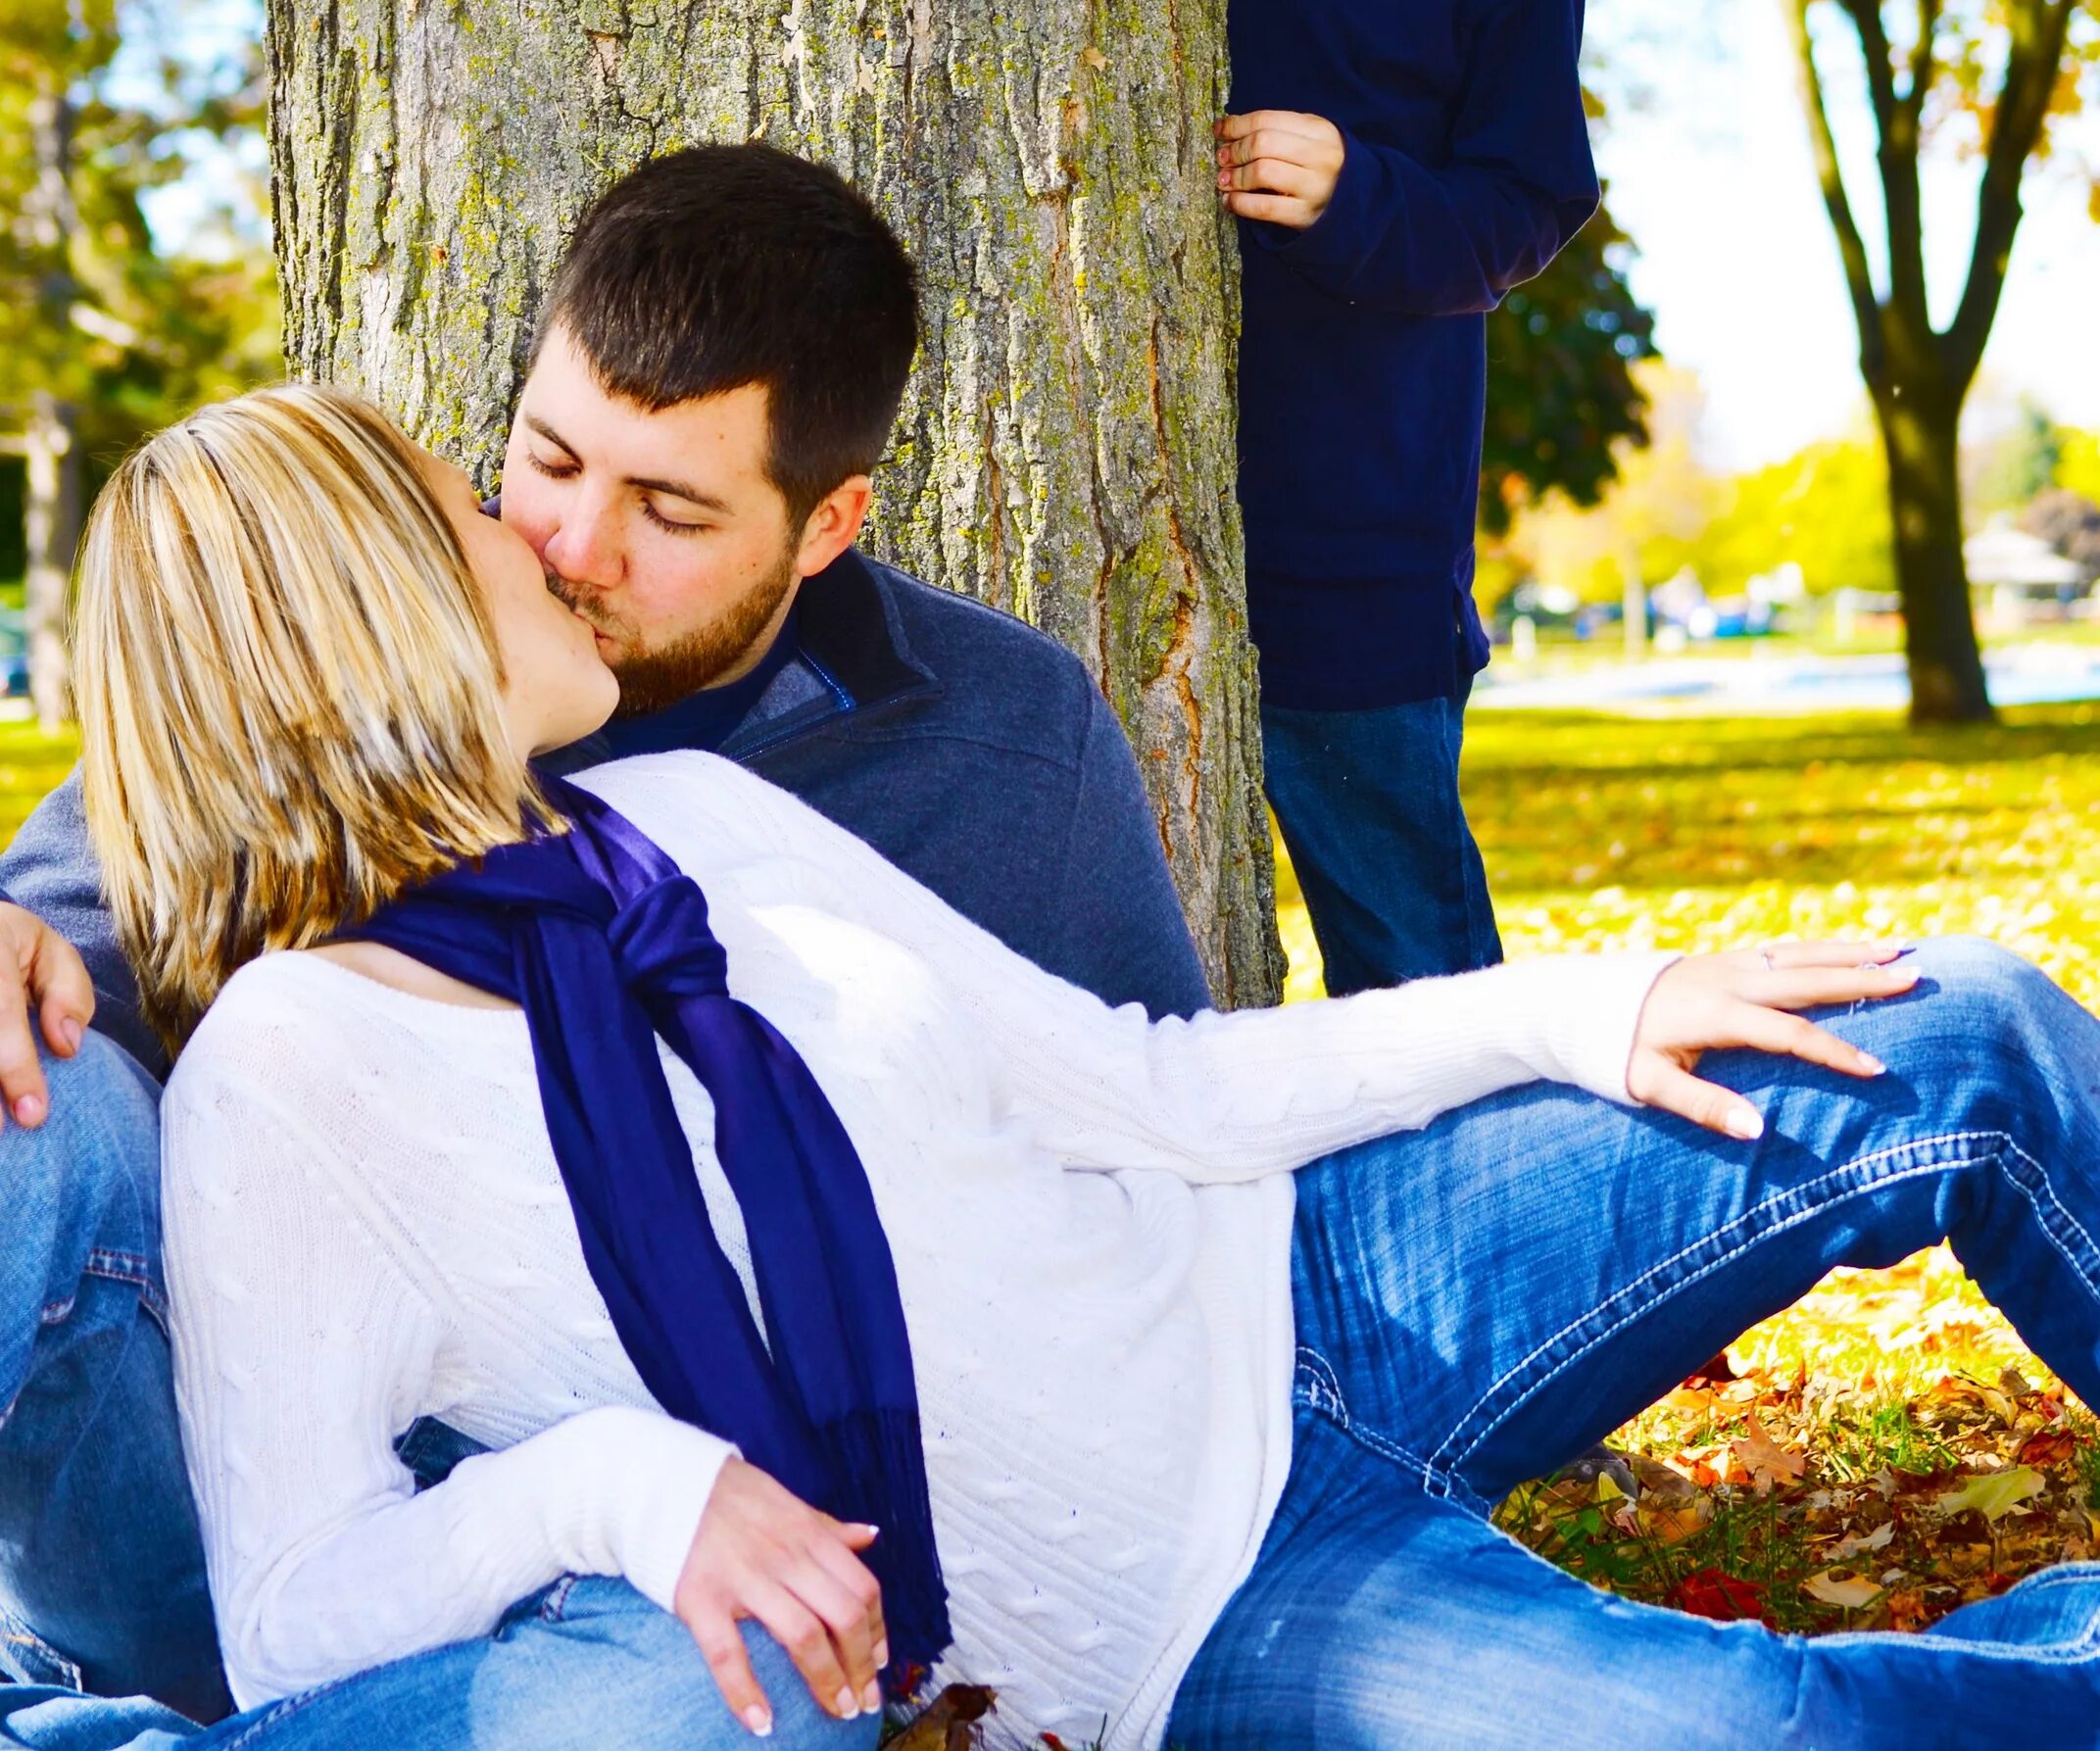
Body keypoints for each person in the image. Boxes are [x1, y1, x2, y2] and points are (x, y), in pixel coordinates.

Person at [73, 380, 2100, 1751]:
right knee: (1767, 1732)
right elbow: (292, 1619)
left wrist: (1583, 1010)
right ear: (367, 626)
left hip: (1301, 1275)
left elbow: (1141, 1082)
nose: (551, 546)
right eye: (478, 524)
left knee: (1963, 1029)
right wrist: (617, 1485)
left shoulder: (684, 818)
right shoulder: (288, 1081)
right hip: (1210, 1611)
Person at [0, 143, 1206, 1733]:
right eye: (545, 461)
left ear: (825, 521)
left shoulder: (1003, 745)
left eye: (671, 509)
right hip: (241, 1515)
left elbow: (1159, 1168)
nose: (571, 545)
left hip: (648, 1593)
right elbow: (71, 952)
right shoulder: (368, 653)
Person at [1214, 0, 1605, 996]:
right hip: (1119, 490)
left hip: (1352, 547)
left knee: (1415, 970)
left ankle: (1486, 1221)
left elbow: (1529, 202)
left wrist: (1362, 192)